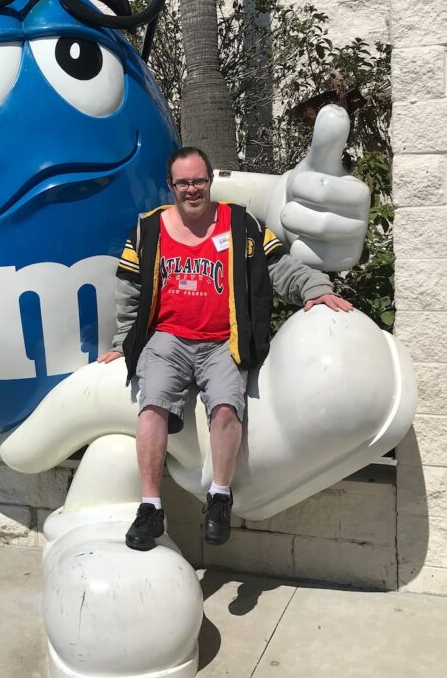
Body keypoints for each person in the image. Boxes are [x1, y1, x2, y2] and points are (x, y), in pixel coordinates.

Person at [98, 146, 353, 551]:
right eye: (183, 182)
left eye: (198, 180)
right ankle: (150, 508)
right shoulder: (148, 230)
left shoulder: (239, 223)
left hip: (222, 340)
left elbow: (279, 267)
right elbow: (128, 292)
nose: (191, 189)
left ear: (210, 180)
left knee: (227, 407)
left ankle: (219, 496)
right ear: (171, 186)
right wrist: (121, 344)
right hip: (167, 339)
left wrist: (316, 288)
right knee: (152, 407)